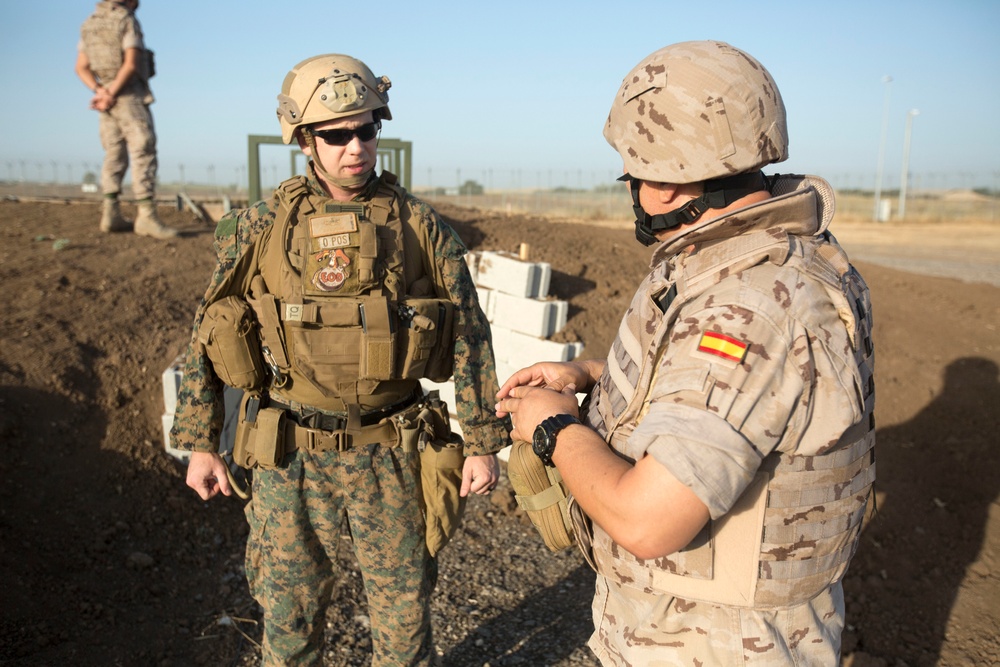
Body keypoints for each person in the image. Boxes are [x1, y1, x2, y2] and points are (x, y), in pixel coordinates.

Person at [496, 40, 875, 665]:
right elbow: (738, 396)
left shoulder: (753, 304)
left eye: (634, 173)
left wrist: (551, 424)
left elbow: (649, 523)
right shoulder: (748, 258)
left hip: (713, 644)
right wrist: (589, 375)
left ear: (666, 188)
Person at [170, 53, 506, 666]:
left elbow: (470, 336)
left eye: (368, 130)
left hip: (392, 452)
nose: (356, 146)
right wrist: (200, 441)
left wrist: (482, 440)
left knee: (404, 621)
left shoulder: (420, 227)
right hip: (288, 452)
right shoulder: (259, 227)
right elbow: (210, 332)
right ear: (303, 140)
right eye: (336, 134)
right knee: (290, 616)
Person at [75, 0, 177, 239]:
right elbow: (131, 64)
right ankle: (146, 217)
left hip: (106, 99)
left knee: (113, 152)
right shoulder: (126, 20)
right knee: (143, 149)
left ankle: (110, 213)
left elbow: (81, 67)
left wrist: (100, 91)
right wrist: (112, 93)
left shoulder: (88, 24)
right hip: (128, 95)